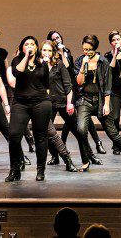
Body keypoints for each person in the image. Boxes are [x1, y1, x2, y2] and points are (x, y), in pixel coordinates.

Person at [74, 35, 121, 172]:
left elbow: (107, 85)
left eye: (89, 49)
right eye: (84, 49)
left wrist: (107, 104)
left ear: (94, 49)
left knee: (112, 132)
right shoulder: (79, 61)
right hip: (85, 99)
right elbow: (78, 82)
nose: (86, 52)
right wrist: (83, 67)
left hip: (101, 99)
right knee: (81, 130)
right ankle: (85, 161)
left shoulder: (103, 62)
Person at [48, 31, 105, 157]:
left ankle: (95, 146)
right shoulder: (48, 56)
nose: (57, 40)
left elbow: (69, 67)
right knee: (51, 127)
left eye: (58, 37)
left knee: (78, 121)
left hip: (70, 88)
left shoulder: (66, 51)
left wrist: (62, 53)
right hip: (54, 93)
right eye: (53, 39)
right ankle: (55, 154)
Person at [5, 36, 52, 182]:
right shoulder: (17, 61)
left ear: (37, 48)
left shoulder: (42, 64)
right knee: (13, 135)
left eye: (33, 44)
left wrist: (45, 99)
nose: (30, 46)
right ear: (22, 47)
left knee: (41, 137)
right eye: (27, 44)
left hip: (40, 103)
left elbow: (47, 85)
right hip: (21, 103)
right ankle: (15, 169)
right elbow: (17, 73)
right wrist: (26, 56)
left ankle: (40, 170)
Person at [39, 40, 78, 172]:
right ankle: (55, 156)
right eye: (44, 50)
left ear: (53, 52)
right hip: (45, 103)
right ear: (40, 51)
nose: (47, 53)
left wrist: (69, 102)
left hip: (61, 101)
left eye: (49, 50)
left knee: (78, 130)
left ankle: (89, 155)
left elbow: (68, 84)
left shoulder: (59, 64)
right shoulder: (38, 66)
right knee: (49, 133)